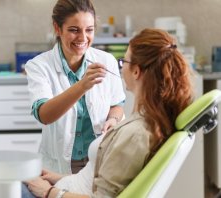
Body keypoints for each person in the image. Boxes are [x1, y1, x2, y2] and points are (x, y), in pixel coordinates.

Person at [23, 28, 194, 198]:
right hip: (66, 183)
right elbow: (100, 180)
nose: (120, 67)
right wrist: (58, 178)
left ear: (136, 71)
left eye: (124, 62)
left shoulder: (135, 135)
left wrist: (47, 192)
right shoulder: (145, 122)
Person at [25, 0, 125, 175]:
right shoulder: (39, 66)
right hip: (60, 165)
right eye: (74, 30)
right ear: (57, 28)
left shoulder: (106, 60)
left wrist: (113, 120)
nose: (83, 38)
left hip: (100, 160)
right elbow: (44, 115)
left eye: (89, 30)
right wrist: (82, 85)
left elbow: (117, 105)